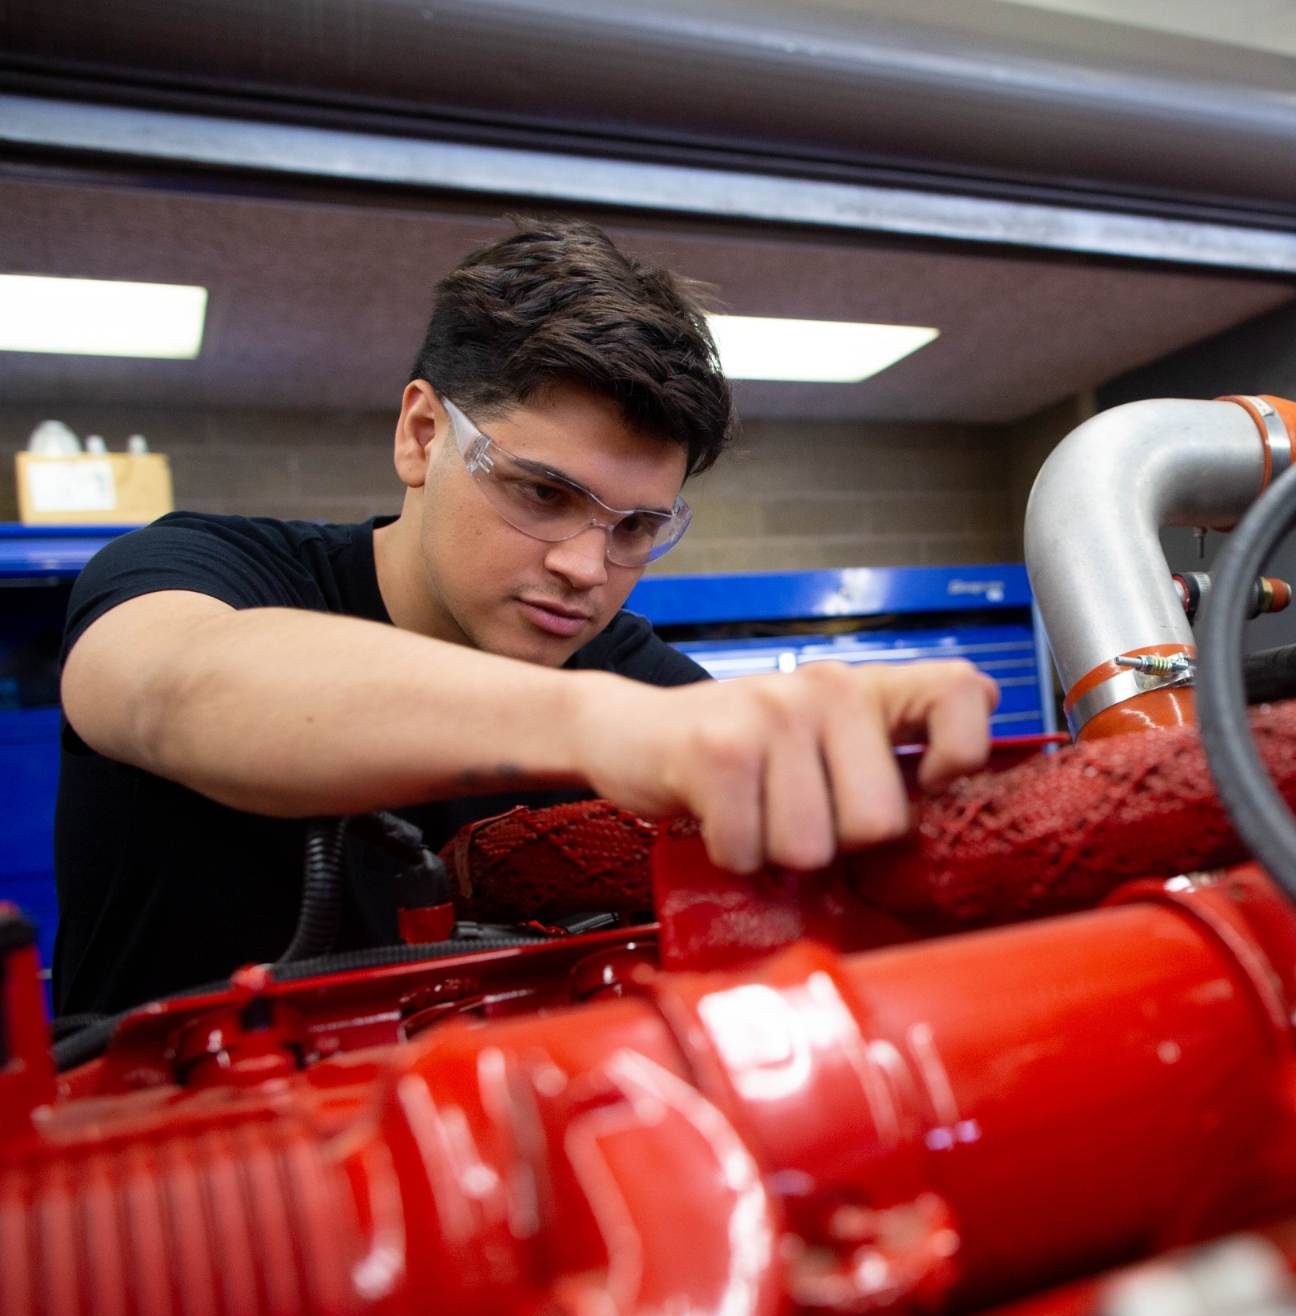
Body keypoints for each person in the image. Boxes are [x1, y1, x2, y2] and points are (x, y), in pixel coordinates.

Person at [53, 218, 997, 1016]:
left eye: (636, 527)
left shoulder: (623, 669)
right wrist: (600, 726)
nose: (586, 568)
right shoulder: (203, 568)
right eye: (541, 494)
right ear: (423, 436)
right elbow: (173, 684)